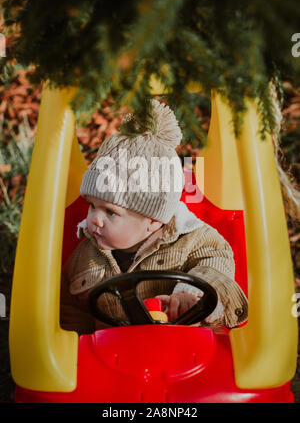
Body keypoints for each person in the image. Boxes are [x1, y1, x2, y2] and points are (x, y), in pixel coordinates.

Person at [60, 99, 248, 334]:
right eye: (92, 206)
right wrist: (77, 347)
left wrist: (191, 297)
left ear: (152, 221)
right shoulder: (84, 257)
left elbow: (216, 269)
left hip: (186, 354)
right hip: (111, 360)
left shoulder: (195, 243)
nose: (95, 220)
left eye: (110, 211)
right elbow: (72, 310)